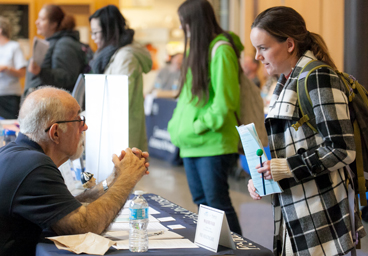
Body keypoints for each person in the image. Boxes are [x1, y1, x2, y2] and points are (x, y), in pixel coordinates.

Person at [247, 6, 366, 255]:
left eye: (263, 48)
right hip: (298, 211)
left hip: (323, 214)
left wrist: (285, 167)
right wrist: (264, 178)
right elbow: (296, 146)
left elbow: (342, 149)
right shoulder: (286, 80)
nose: (257, 56)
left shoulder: (317, 76)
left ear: (289, 44)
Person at [0, 86, 149, 256]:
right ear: (55, 133)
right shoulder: (35, 166)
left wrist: (115, 178)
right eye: (78, 120)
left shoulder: (17, 154)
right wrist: (127, 178)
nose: (84, 127)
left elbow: (66, 210)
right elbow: (84, 226)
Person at [168, 0, 243, 235]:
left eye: (185, 23)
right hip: (190, 143)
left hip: (213, 143)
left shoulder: (221, 50)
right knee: (201, 202)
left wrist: (198, 126)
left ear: (195, 22)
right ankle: (216, 247)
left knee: (218, 203)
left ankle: (240, 252)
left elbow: (225, 102)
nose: (183, 29)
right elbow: (187, 98)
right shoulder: (194, 49)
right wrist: (176, 127)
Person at [89, 5, 152, 152]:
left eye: (96, 32)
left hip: (121, 136)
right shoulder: (110, 55)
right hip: (114, 133)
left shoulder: (125, 57)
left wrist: (88, 115)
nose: (93, 38)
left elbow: (118, 103)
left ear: (109, 30)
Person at [24, 5, 86, 97]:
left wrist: (41, 72)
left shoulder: (65, 44)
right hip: (40, 103)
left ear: (53, 24)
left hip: (50, 104)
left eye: (42, 19)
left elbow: (67, 77)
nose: (37, 22)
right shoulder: (51, 42)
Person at [0, 16, 27, 119]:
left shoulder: (14, 47)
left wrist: (6, 68)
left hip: (10, 95)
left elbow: (22, 72)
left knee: (10, 124)